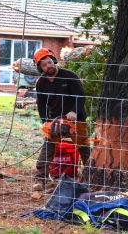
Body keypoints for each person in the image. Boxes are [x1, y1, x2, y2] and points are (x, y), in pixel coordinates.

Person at [33, 48, 91, 191]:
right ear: (40, 68)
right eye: (44, 65)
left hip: (76, 119)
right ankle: (41, 179)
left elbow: (81, 96)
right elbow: (41, 104)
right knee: (48, 148)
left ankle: (91, 178)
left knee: (84, 148)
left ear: (53, 60)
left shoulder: (69, 76)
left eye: (49, 62)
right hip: (56, 121)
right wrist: (45, 121)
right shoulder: (41, 83)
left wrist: (74, 111)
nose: (48, 66)